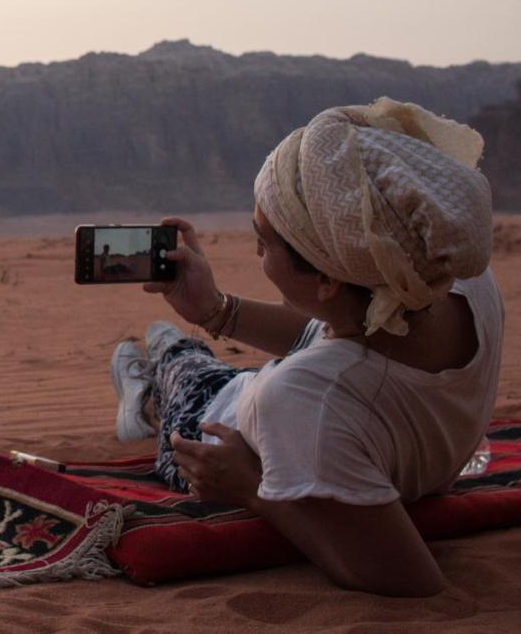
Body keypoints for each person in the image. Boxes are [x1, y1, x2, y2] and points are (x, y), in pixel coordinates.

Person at [106, 97, 499, 597]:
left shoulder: (310, 396)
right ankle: (173, 349)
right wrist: (214, 309)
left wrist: (249, 488)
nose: (257, 256)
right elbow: (323, 332)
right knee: (201, 353)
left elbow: (410, 578)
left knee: (185, 369)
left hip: (214, 435)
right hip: (307, 415)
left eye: (265, 242)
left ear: (327, 280)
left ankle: (144, 401)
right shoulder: (449, 277)